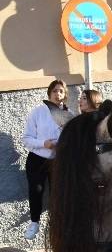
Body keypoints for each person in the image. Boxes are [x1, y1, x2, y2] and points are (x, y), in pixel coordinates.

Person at [21, 79, 73, 241]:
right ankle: (34, 222)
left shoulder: (69, 114)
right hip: (37, 159)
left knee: (59, 194)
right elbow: (26, 139)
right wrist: (44, 144)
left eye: (61, 91)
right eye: (55, 91)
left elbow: (73, 138)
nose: (58, 94)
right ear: (49, 93)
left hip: (59, 160)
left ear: (65, 95)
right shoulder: (38, 112)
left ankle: (58, 225)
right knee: (36, 190)